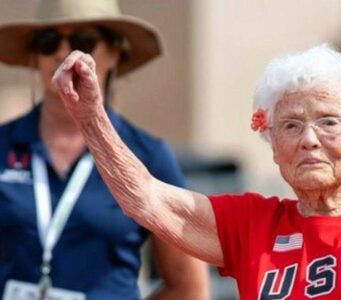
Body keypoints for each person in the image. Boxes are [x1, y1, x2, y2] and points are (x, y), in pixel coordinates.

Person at [52, 1, 341, 299]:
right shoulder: (250, 225)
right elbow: (145, 198)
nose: (308, 138)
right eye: (290, 125)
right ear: (273, 148)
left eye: (329, 122)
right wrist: (91, 117)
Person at [0, 0, 209, 299]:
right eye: (47, 42)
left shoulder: (147, 156)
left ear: (114, 54)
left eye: (83, 40)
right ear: (34, 56)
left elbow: (188, 288)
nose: (62, 52)